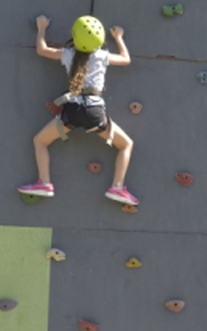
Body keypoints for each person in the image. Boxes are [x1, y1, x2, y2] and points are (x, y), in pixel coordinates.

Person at [17, 14, 139, 206]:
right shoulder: (102, 56)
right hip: (94, 113)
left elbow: (42, 50)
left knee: (40, 141)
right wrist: (119, 37)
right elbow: (126, 59)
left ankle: (45, 183)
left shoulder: (67, 53)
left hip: (72, 111)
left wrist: (41, 28)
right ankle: (117, 186)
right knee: (126, 145)